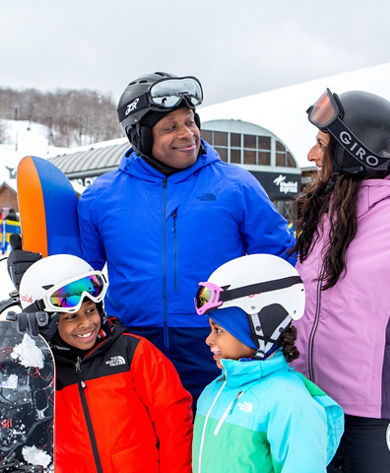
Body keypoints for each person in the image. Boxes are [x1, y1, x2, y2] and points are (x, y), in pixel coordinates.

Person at [74, 72, 296, 402]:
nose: (186, 134)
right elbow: (82, 275)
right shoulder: (101, 197)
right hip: (131, 340)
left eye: (190, 121)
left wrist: (259, 325)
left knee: (211, 442)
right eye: (170, 127)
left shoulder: (235, 185)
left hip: (215, 340)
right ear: (140, 135)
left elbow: (279, 258)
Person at [8, 254, 193, 473]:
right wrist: (21, 350)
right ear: (47, 322)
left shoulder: (133, 353)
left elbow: (174, 421)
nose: (86, 324)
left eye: (90, 310)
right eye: (70, 317)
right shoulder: (42, 372)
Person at [292, 88, 390, 472]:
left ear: (355, 152)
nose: (311, 156)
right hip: (310, 400)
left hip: (369, 414)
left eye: (321, 145)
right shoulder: (324, 210)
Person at [192, 253, 344, 473]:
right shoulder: (213, 391)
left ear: (260, 330)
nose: (209, 339)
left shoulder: (290, 402)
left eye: (219, 330)